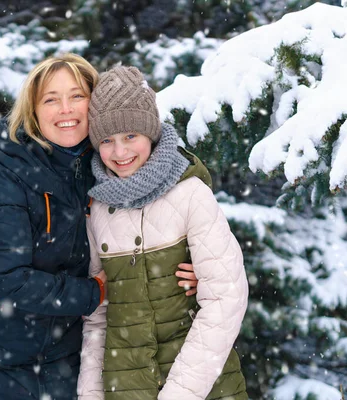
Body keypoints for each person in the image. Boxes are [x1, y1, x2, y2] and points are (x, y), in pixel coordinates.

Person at [0, 54, 198, 400]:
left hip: (64, 351)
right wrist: (91, 294)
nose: (65, 109)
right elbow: (6, 277)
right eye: (51, 99)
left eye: (76, 96)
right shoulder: (12, 168)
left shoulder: (111, 162)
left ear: (94, 104)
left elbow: (164, 209)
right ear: (34, 111)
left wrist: (191, 267)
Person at [76, 66, 249, 400]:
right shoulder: (97, 209)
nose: (120, 152)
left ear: (151, 133)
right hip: (124, 387)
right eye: (107, 140)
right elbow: (98, 319)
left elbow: (224, 300)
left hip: (205, 389)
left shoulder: (190, 194)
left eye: (131, 136)